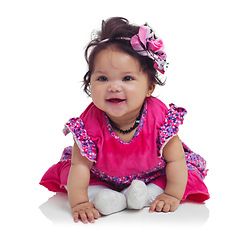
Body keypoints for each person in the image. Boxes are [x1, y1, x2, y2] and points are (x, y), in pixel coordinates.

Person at [40, 17, 210, 224]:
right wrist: (80, 203)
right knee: (71, 176)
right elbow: (81, 167)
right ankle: (105, 198)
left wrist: (172, 195)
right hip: (102, 176)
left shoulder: (159, 118)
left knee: (179, 176)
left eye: (127, 78)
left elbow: (175, 160)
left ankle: (144, 195)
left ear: (149, 88)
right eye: (102, 78)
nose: (114, 87)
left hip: (153, 174)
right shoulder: (89, 123)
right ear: (89, 83)